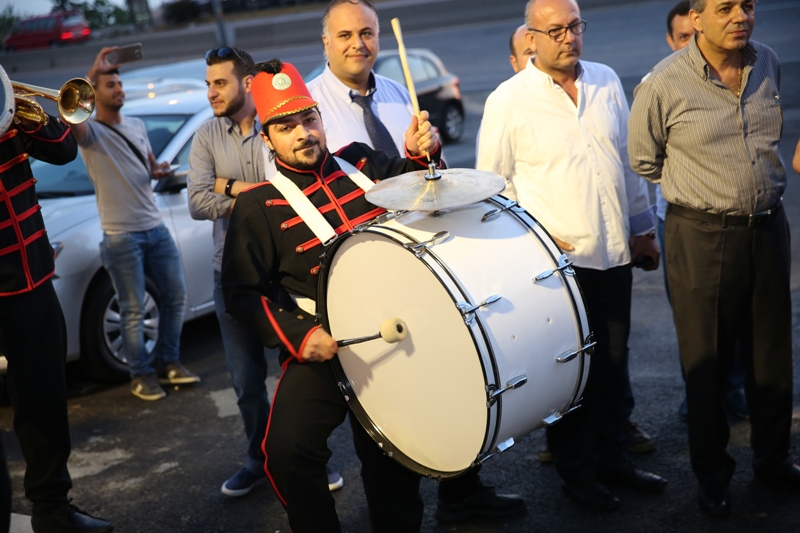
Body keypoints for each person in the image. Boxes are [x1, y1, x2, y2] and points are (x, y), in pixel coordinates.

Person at [306, 0, 526, 524]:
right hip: (365, 270)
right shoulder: (310, 104)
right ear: (326, 42)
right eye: (345, 35)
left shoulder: (397, 91)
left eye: (367, 33)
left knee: (454, 369)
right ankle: (396, 518)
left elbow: (421, 178)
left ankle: (462, 491)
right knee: (389, 400)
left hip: (421, 257)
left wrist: (426, 154)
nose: (358, 43)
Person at [221, 58, 440, 532]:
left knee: (394, 460)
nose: (302, 133)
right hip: (322, 345)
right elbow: (240, 293)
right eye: (286, 126)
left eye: (308, 119)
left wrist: (424, 153)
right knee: (287, 452)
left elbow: (428, 189)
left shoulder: (364, 162)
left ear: (320, 118)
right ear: (266, 138)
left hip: (393, 335)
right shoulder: (257, 206)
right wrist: (300, 337)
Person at [477, 0, 667, 511]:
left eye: (575, 26)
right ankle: (578, 479)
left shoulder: (605, 80)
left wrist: (644, 228)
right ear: (531, 38)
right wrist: (530, 242)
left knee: (612, 366)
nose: (568, 37)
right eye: (555, 29)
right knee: (571, 379)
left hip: (614, 254)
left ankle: (615, 463)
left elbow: (627, 165)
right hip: (555, 269)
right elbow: (493, 187)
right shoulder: (508, 100)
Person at [629, 0, 800, 517]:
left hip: (769, 227)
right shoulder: (663, 83)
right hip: (701, 235)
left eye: (746, 5)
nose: (740, 16)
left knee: (772, 355)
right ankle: (712, 474)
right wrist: (701, 191)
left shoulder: (766, 61)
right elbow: (643, 158)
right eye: (725, 7)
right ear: (697, 18)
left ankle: (772, 462)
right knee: (707, 362)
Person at [187, 46, 344, 496]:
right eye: (208, 84)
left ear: (246, 84)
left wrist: (228, 186)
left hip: (294, 280)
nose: (212, 92)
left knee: (310, 375)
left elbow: (293, 191)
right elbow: (199, 201)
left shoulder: (281, 122)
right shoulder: (205, 138)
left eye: (221, 82)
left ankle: (313, 457)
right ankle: (258, 460)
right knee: (246, 381)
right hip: (234, 274)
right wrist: (252, 196)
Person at [0, 71, 113, 532]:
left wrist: (13, 109)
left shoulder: (10, 115)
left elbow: (64, 148)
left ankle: (52, 509)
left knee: (43, 399)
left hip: (30, 278)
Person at [70, 47, 200, 401]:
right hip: (121, 237)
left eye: (119, 84)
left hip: (155, 228)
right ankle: (141, 375)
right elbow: (69, 113)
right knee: (132, 309)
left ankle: (169, 364)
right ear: (95, 94)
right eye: (110, 85)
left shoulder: (137, 126)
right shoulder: (91, 133)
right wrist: (93, 70)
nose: (119, 90)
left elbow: (150, 166)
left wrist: (161, 171)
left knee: (175, 298)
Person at [653, 0, 748, 422]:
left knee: (738, 312)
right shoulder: (659, 85)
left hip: (733, 218)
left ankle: (732, 388)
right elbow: (643, 158)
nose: (691, 45)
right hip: (678, 219)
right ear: (672, 40)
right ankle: (700, 396)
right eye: (683, 39)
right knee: (694, 321)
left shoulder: (740, 76)